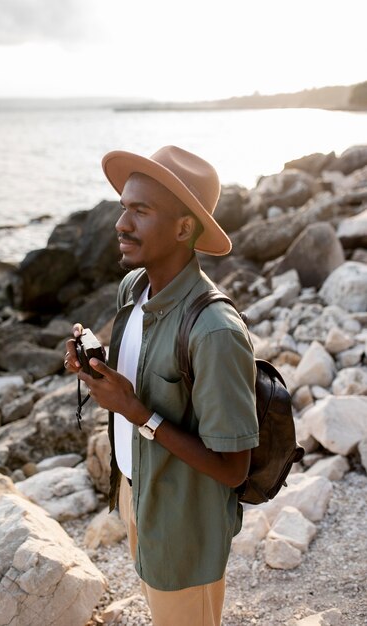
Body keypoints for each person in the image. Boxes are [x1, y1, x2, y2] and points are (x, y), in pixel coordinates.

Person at [64, 145, 259, 626]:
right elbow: (143, 373)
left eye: (140, 210)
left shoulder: (215, 330)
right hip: (139, 492)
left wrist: (135, 412)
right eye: (123, 207)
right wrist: (99, 368)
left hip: (185, 520)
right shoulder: (133, 288)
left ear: (183, 227)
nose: (120, 223)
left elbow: (234, 469)